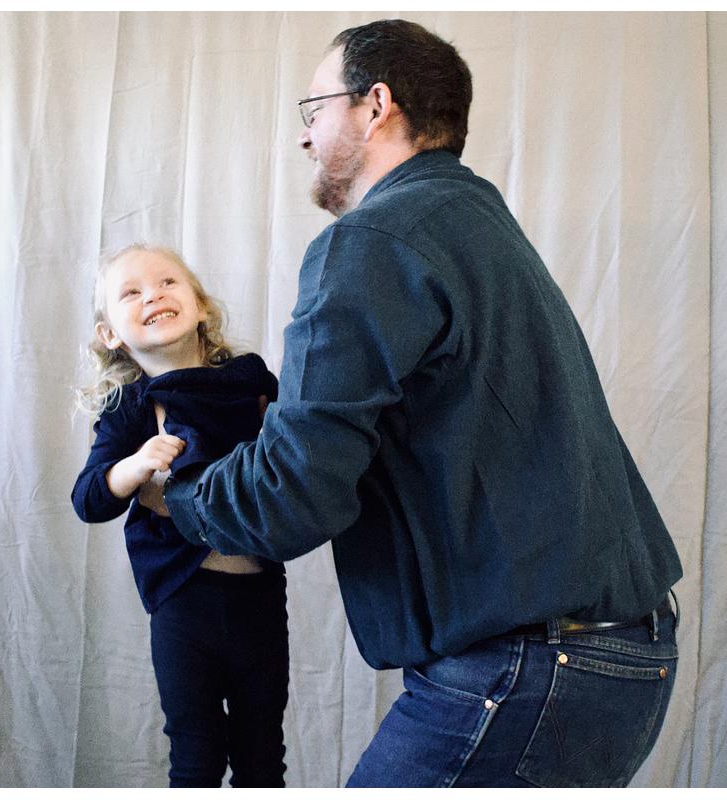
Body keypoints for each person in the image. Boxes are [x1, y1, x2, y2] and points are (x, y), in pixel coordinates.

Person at [156, 20, 683, 787]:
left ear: (376, 105)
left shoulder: (371, 241)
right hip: (623, 656)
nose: (304, 136)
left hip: (528, 666)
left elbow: (293, 497)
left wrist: (177, 494)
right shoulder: (473, 219)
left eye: (315, 110)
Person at [71, 244, 288, 788]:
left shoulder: (248, 382)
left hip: (259, 595)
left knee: (262, 754)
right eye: (132, 292)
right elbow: (88, 498)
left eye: (168, 282)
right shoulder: (131, 407)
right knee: (195, 756)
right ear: (110, 334)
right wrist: (135, 465)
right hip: (182, 603)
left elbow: (292, 452)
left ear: (201, 306)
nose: (153, 295)